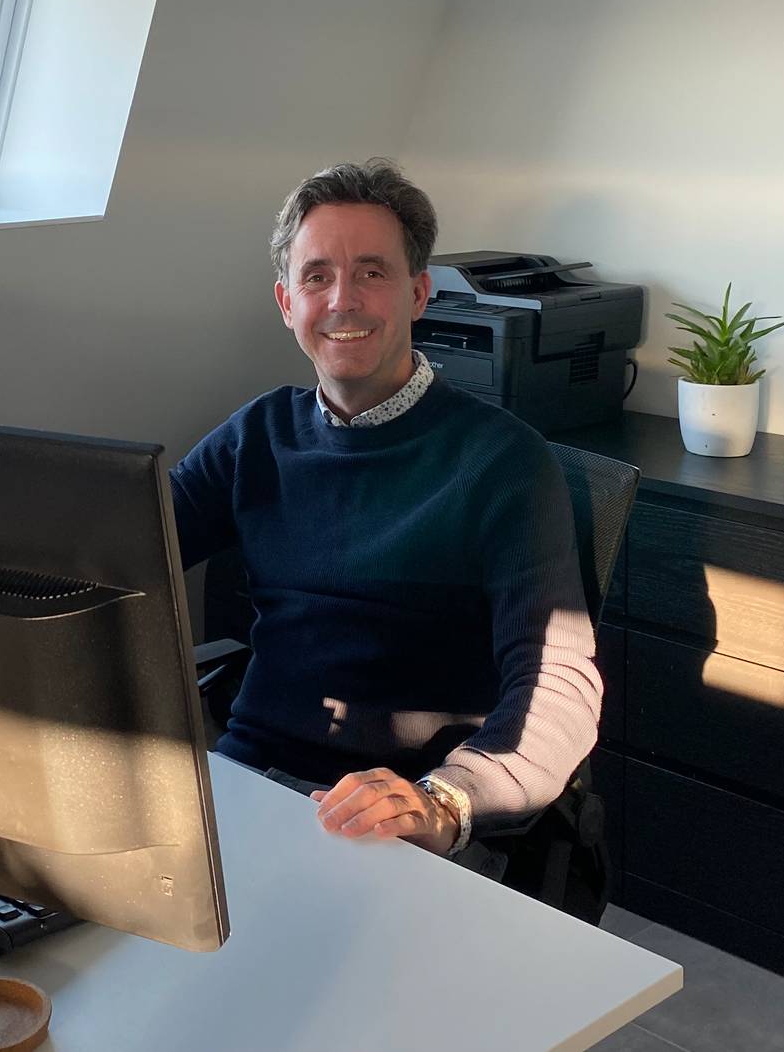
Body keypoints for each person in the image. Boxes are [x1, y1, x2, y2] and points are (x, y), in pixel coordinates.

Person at [169, 160, 602, 863]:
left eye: (372, 272)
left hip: (409, 815)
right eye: (317, 276)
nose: (343, 300)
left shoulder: (503, 462)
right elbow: (119, 550)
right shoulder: (257, 436)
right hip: (253, 782)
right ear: (286, 303)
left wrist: (447, 800)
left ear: (418, 294)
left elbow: (558, 683)